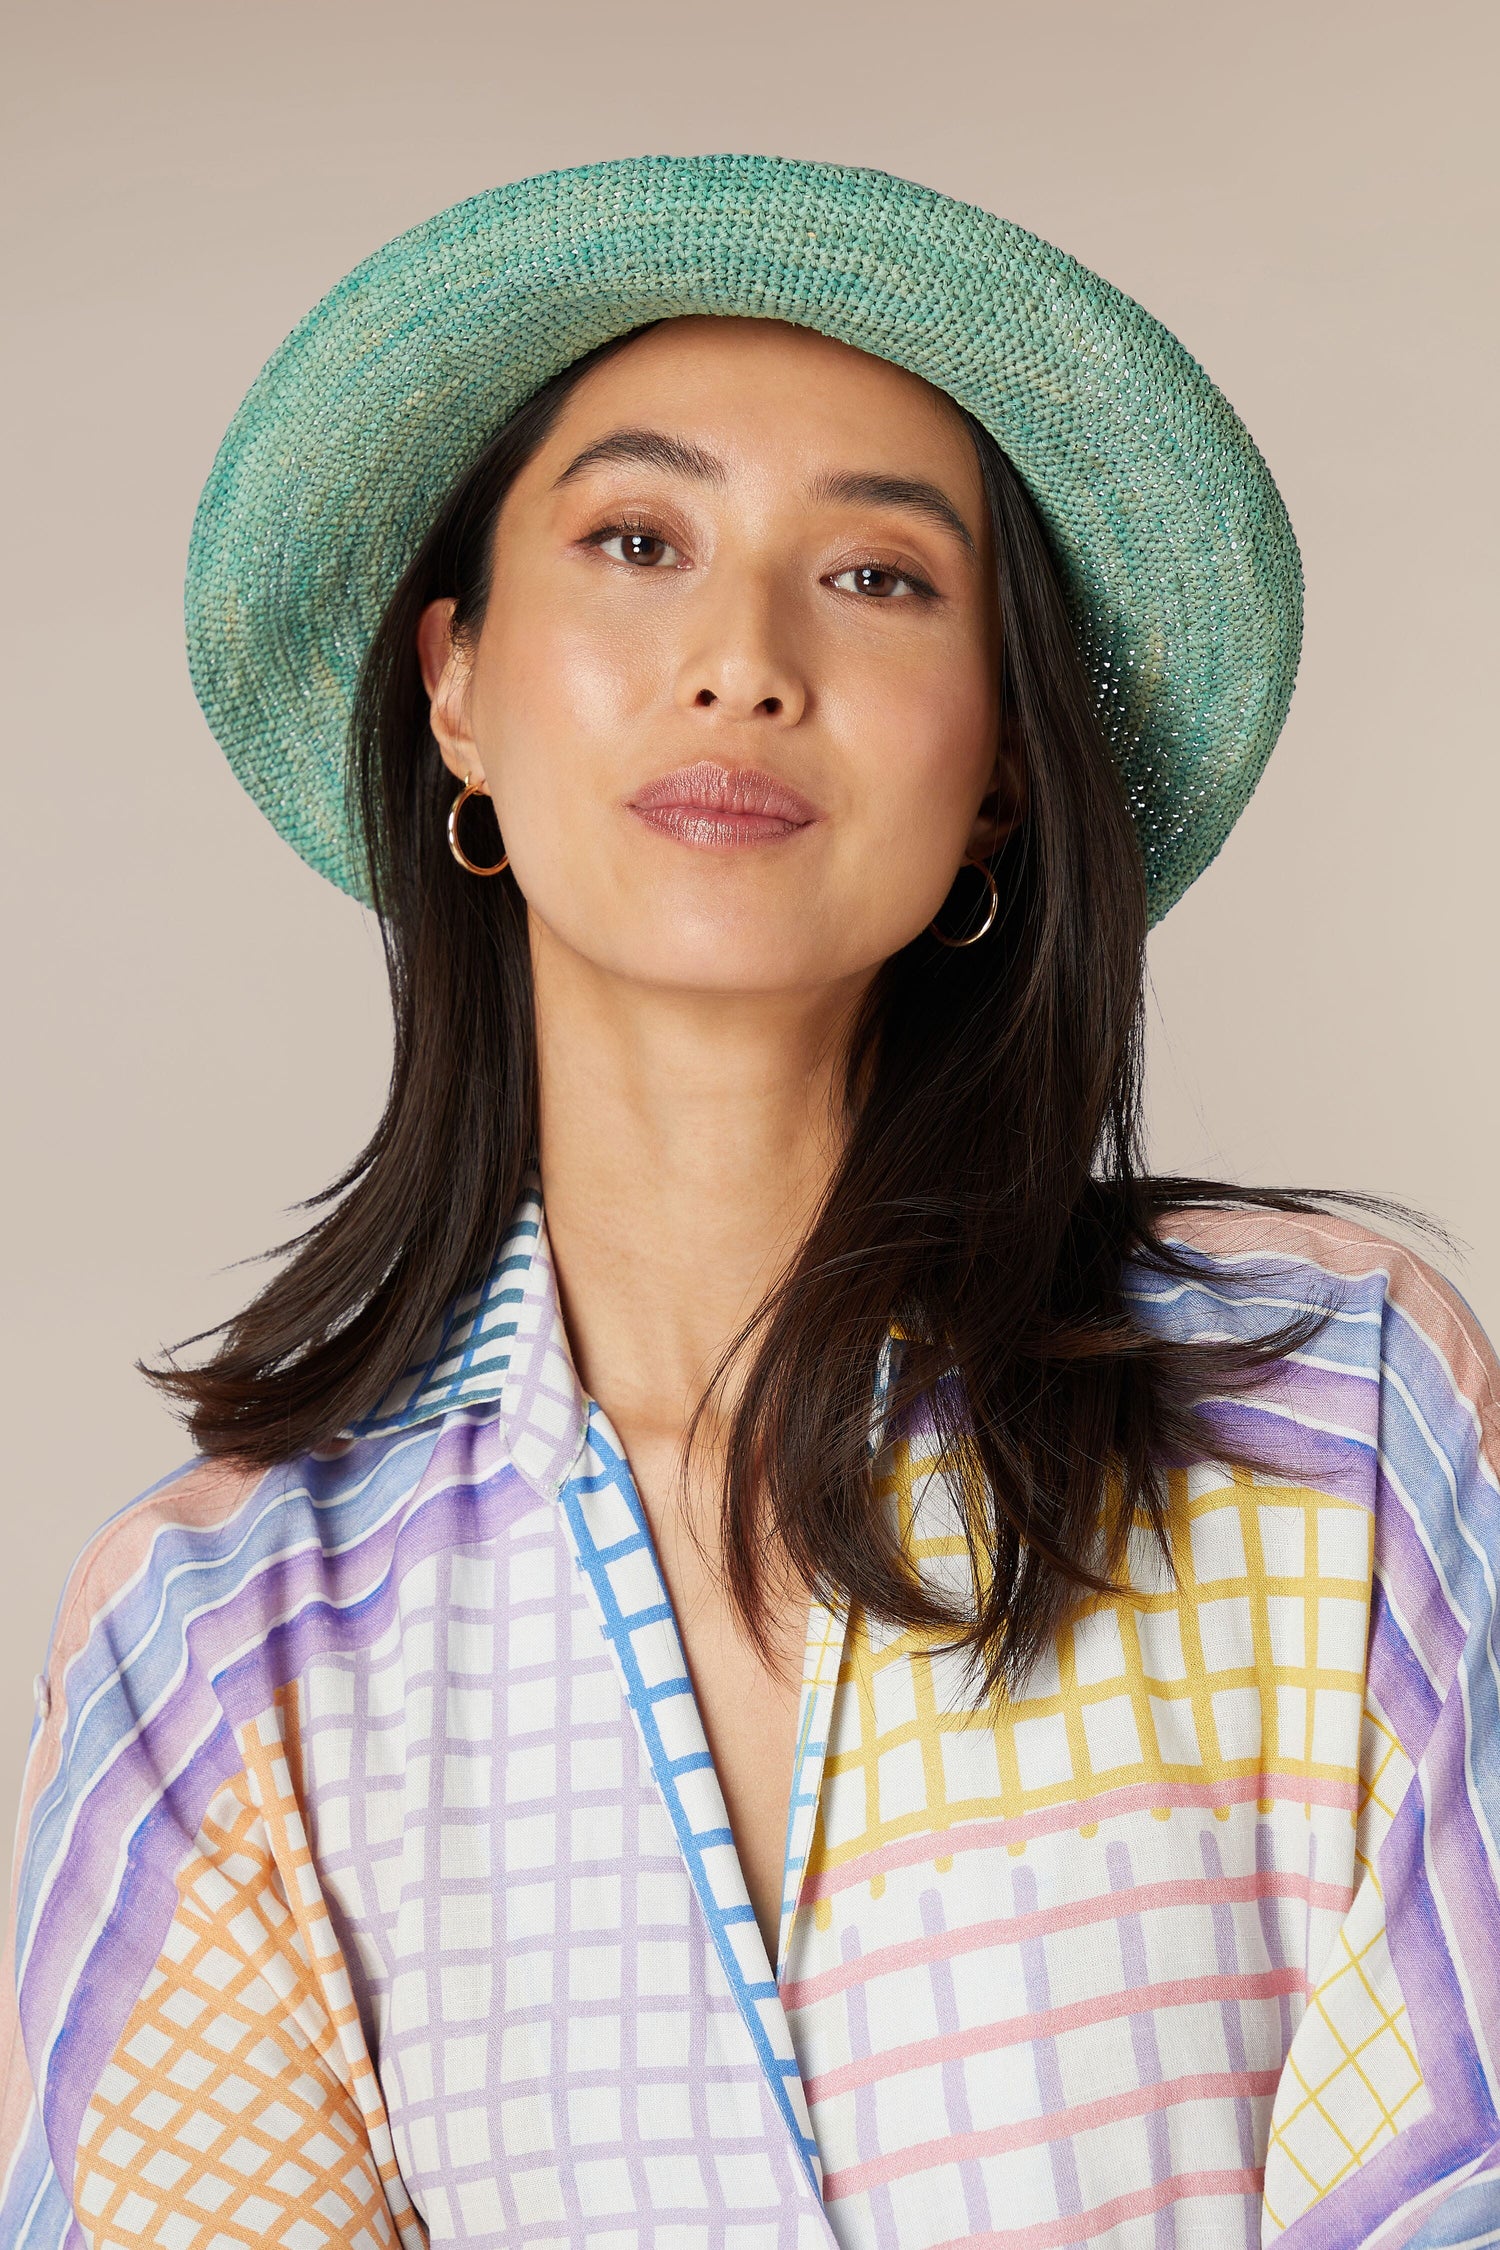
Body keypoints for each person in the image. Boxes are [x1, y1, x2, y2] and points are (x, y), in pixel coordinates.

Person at [1, 154, 1496, 2250]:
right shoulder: (215, 1643)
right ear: (456, 684)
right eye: (636, 540)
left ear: (998, 758)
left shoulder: (1342, 1415)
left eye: (879, 577)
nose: (743, 661)